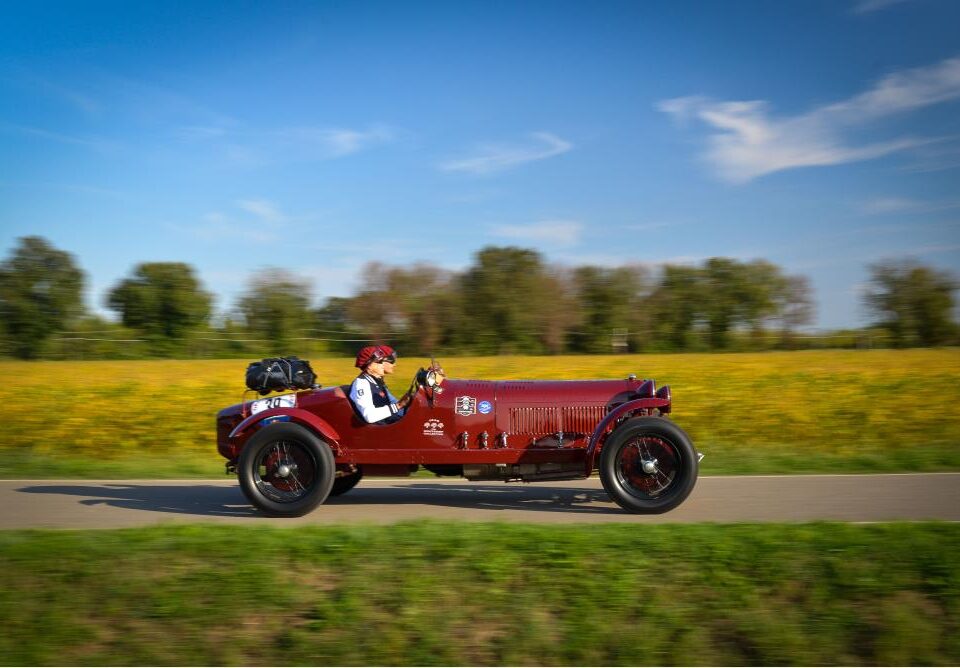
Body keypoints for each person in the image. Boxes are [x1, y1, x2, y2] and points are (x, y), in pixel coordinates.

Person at [350, 346, 412, 424]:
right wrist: (398, 406)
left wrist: (410, 407)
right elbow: (369, 416)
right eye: (380, 362)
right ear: (369, 365)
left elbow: (392, 402)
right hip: (378, 431)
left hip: (388, 423)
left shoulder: (377, 382)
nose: (383, 365)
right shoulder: (361, 384)